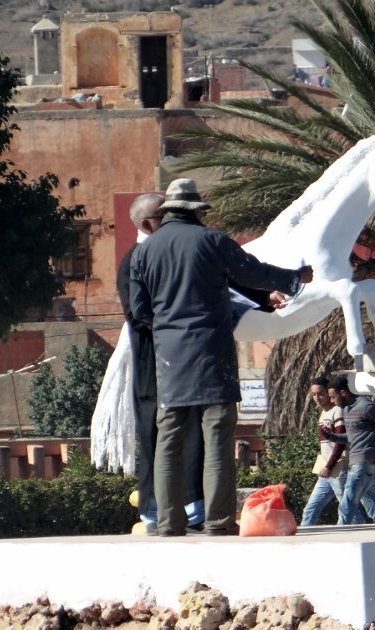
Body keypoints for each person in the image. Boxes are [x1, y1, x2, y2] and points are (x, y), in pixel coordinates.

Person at [130, 178, 313, 536]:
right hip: (212, 351)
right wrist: (295, 278)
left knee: (169, 437)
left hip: (169, 357)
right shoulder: (211, 241)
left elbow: (139, 310)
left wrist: (169, 331)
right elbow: (253, 272)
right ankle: (217, 521)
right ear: (197, 212)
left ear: (167, 213)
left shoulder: (143, 253)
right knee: (217, 433)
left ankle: (168, 523)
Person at [118, 193, 205, 534]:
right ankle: (154, 510)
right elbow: (141, 316)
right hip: (154, 363)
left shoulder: (170, 252)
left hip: (182, 359)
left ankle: (194, 505)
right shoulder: (135, 261)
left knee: (194, 427)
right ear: (146, 224)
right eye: (162, 215)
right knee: (154, 433)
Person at [323, 376, 375, 524]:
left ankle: (340, 542)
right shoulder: (346, 410)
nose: (332, 401)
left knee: (346, 506)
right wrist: (331, 436)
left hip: (362, 466)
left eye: (333, 397)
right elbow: (351, 437)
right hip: (360, 466)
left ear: (343, 392)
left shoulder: (366, 406)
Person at [300, 377, 348, 526]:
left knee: (348, 511)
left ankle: (358, 537)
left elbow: (340, 443)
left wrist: (330, 465)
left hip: (337, 468)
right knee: (310, 509)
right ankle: (303, 540)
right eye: (314, 394)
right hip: (326, 471)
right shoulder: (323, 414)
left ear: (329, 393)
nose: (316, 398)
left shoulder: (337, 411)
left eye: (320, 393)